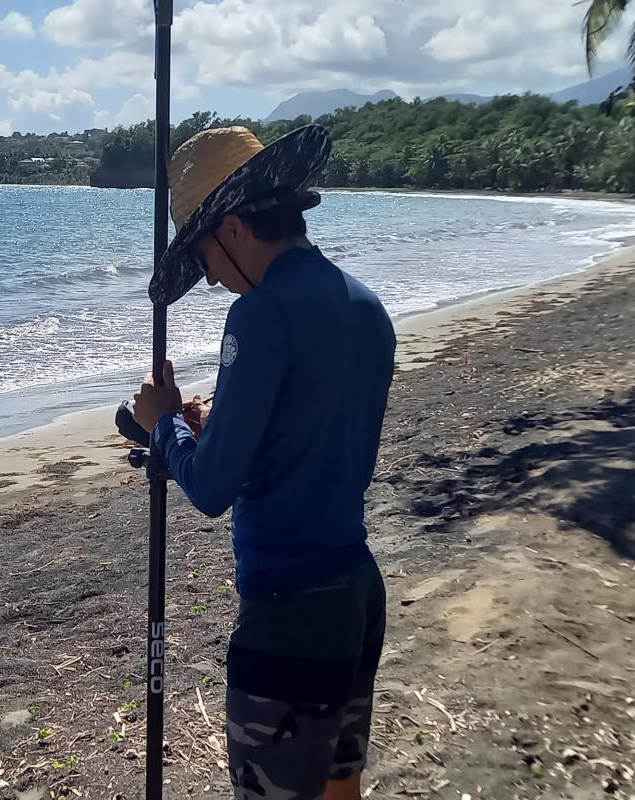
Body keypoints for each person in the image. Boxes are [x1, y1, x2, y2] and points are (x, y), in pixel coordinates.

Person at [129, 125, 397, 800]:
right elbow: (314, 436)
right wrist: (218, 429)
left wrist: (163, 429)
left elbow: (212, 487)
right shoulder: (367, 307)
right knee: (340, 787)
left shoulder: (261, 314)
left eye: (204, 252)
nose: (212, 277)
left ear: (236, 226)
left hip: (288, 614)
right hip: (355, 591)